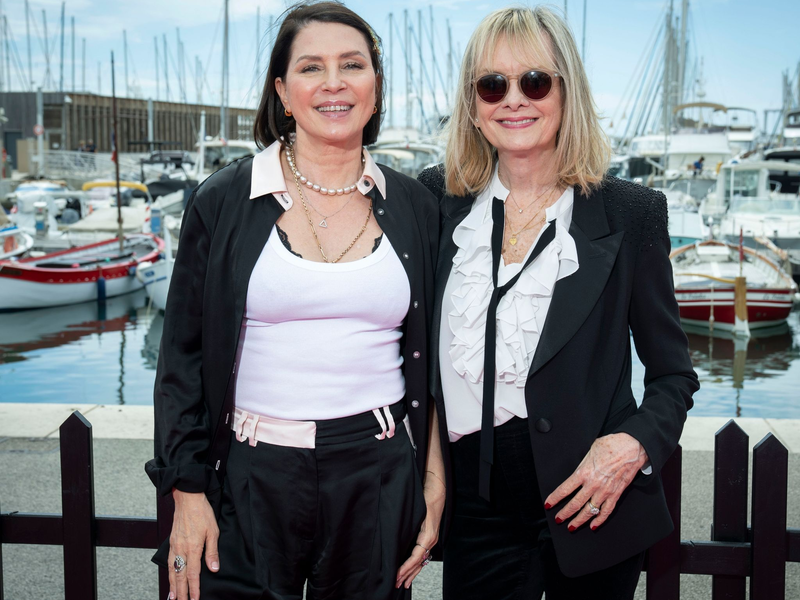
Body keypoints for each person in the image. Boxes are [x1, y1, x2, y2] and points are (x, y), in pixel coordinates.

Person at [146, 3, 445, 599]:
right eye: (312, 67)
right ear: (283, 91)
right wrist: (187, 491)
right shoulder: (224, 198)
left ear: (376, 85)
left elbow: (431, 360)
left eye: (352, 64)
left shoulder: (415, 205)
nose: (334, 83)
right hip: (250, 476)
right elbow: (180, 360)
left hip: (378, 474)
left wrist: (433, 484)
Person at [418, 6, 699, 599]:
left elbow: (673, 374)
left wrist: (633, 446)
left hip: (594, 500)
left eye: (535, 81)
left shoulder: (631, 213)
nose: (513, 100)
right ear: (473, 105)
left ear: (566, 92)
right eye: (493, 84)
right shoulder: (435, 205)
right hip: (477, 506)